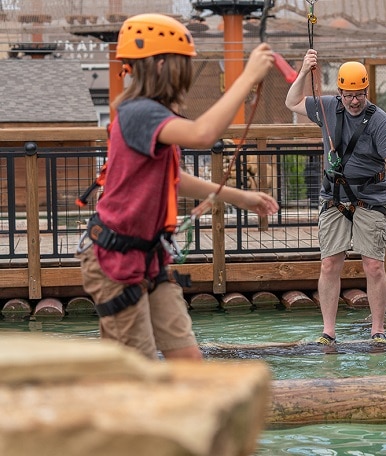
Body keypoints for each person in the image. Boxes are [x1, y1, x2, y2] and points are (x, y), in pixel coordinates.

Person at [76, 13, 279, 360]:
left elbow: (174, 179)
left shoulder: (151, 113)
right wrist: (248, 77)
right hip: (115, 261)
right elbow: (202, 134)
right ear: (159, 65)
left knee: (188, 363)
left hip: (149, 257)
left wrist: (238, 197)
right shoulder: (140, 113)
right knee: (137, 375)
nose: (185, 75)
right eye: (182, 65)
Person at [285, 49, 386, 346]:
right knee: (330, 263)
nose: (354, 101)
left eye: (359, 95)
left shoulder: (378, 119)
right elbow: (291, 102)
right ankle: (328, 331)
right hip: (334, 196)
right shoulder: (327, 107)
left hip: (370, 197)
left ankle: (377, 330)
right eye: (348, 95)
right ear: (339, 91)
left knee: (374, 265)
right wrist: (304, 71)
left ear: (366, 91)